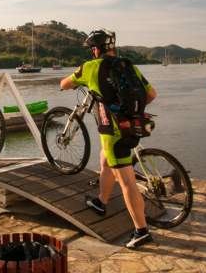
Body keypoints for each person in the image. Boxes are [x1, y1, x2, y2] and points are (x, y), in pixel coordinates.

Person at [60, 29, 157, 248]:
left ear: (95, 49)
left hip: (114, 133)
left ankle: (141, 231)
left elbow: (64, 83)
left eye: (91, 48)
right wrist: (131, 113)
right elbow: (151, 95)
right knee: (104, 159)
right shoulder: (128, 65)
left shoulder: (90, 67)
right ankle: (101, 201)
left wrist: (66, 82)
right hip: (130, 127)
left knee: (127, 183)